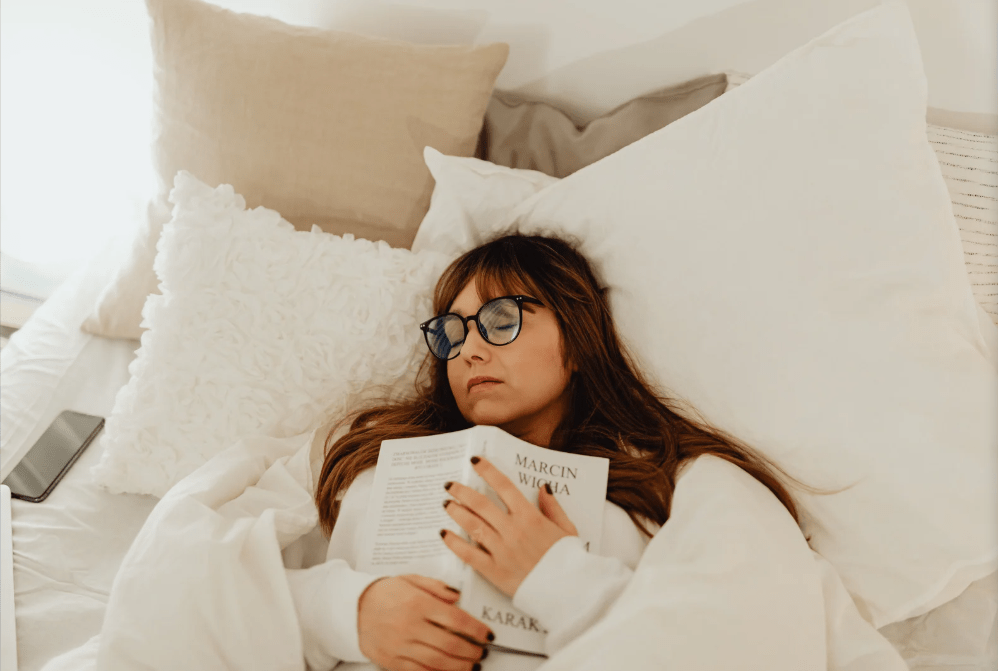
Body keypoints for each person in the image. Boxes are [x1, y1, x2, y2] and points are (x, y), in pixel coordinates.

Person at [288, 233, 815, 671]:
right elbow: (220, 580)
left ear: (579, 339)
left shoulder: (681, 485)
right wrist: (346, 614)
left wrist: (560, 579)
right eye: (451, 333)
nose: (469, 350)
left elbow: (755, 639)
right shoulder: (364, 462)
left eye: (501, 321)